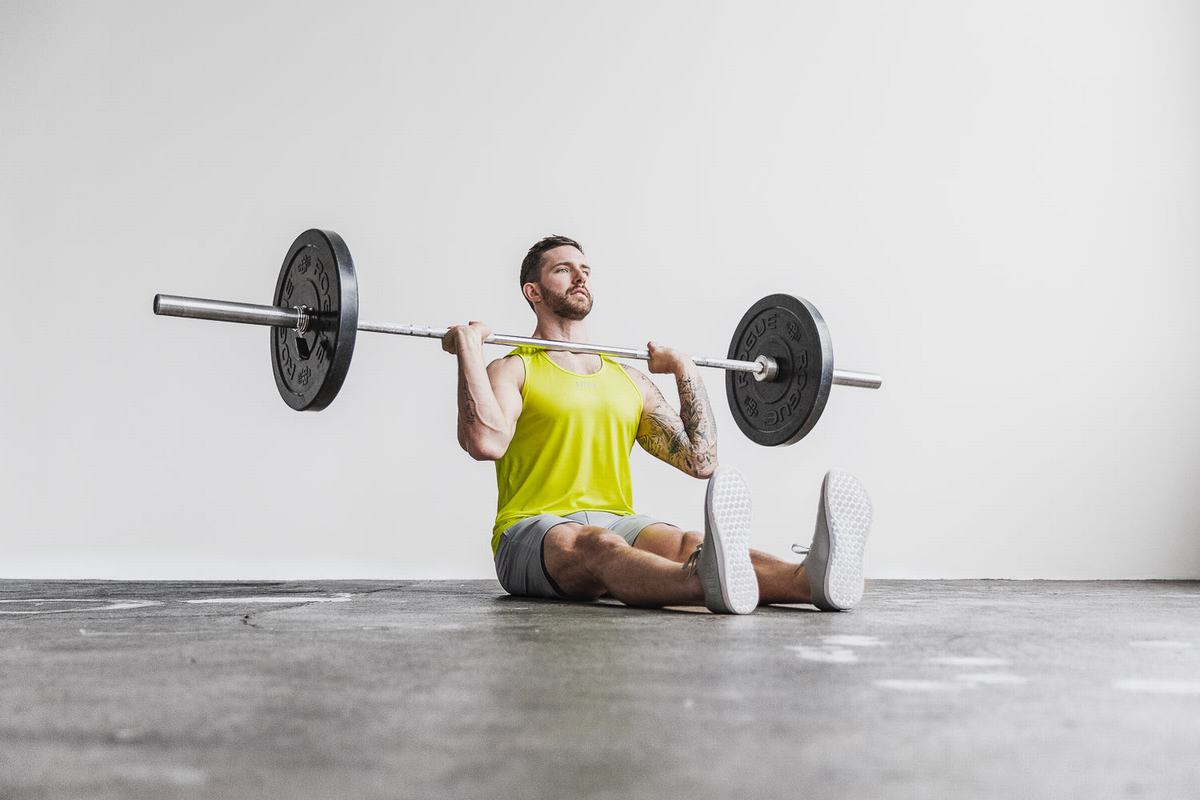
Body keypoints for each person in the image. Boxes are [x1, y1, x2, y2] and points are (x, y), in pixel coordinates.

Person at [442, 235, 872, 614]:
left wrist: (685, 370)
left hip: (616, 517)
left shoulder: (629, 380)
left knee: (689, 544)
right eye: (563, 269)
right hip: (531, 529)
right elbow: (485, 441)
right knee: (599, 545)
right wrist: (468, 348)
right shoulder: (514, 368)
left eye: (585, 270)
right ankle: (706, 584)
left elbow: (700, 461)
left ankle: (809, 579)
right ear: (532, 291)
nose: (580, 278)